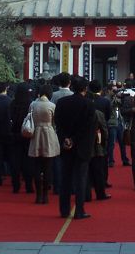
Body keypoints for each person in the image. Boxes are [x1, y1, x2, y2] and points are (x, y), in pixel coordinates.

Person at [54, 76, 96, 219]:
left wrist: (66, 138)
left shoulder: (61, 102)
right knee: (80, 179)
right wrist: (74, 139)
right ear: (85, 89)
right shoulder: (89, 104)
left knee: (65, 178)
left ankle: (64, 209)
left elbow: (58, 122)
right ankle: (79, 210)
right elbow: (88, 127)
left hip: (66, 145)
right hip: (82, 145)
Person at [28, 84, 60, 204]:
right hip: (48, 133)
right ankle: (45, 195)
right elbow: (55, 122)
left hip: (36, 133)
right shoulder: (52, 105)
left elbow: (30, 118)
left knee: (36, 166)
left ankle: (38, 195)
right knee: (48, 166)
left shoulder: (33, 104)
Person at [10, 83, 34, 194]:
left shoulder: (12, 103)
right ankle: (29, 185)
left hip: (14, 135)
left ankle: (15, 185)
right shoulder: (30, 104)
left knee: (15, 161)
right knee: (28, 161)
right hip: (27, 135)